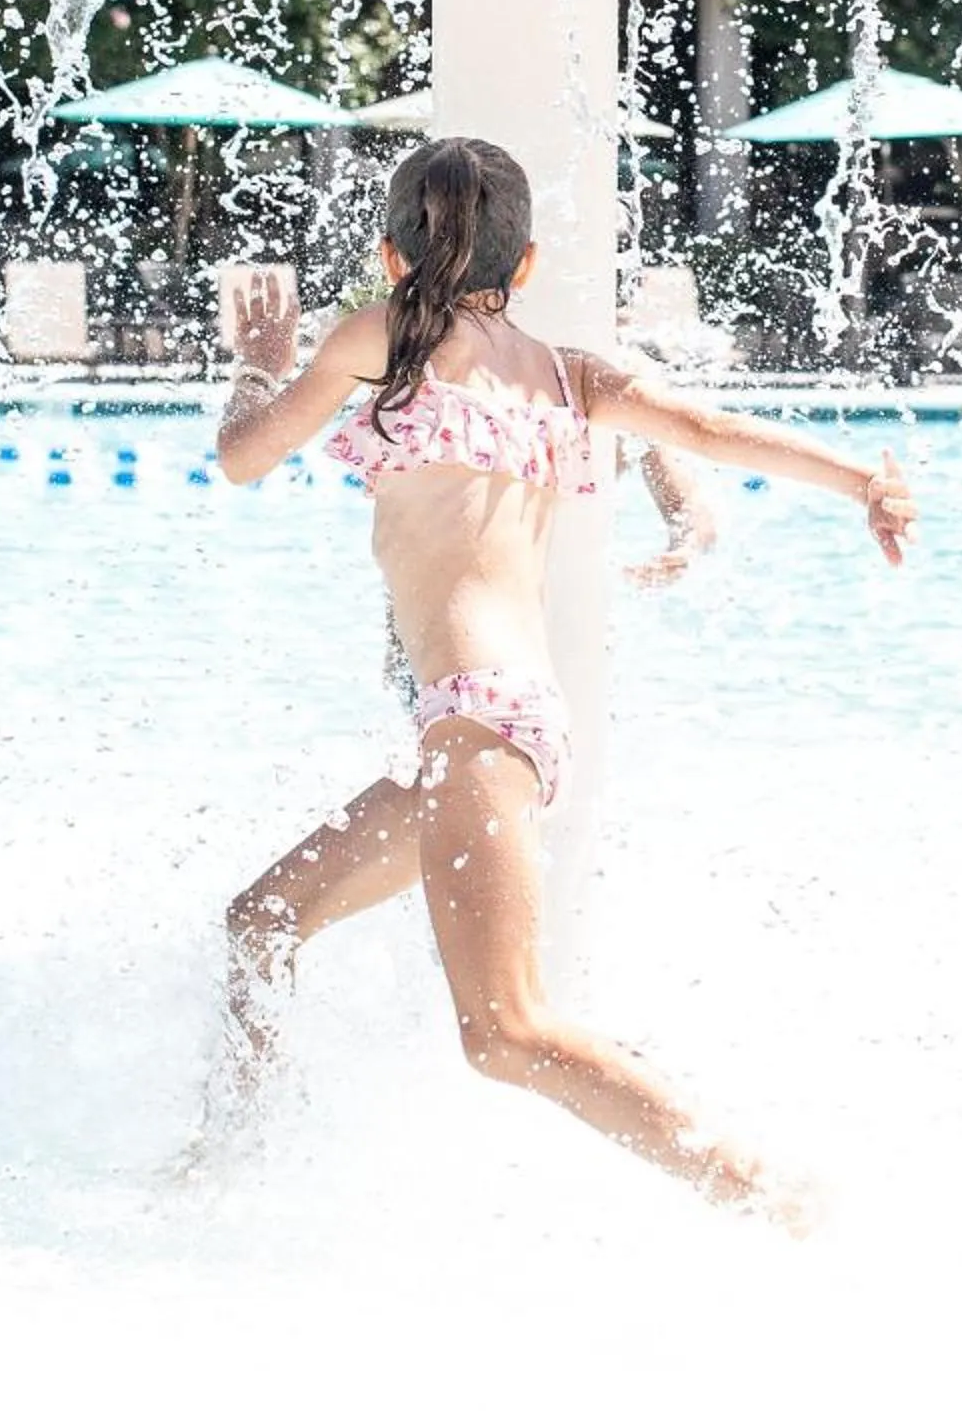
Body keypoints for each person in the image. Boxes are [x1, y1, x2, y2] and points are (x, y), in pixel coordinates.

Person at [213, 134, 915, 1220]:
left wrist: (259, 360)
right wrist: (860, 480)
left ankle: (769, 1193)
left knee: (507, 1029)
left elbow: (243, 455)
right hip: (494, 723)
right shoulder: (567, 374)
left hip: (477, 724)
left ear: (391, 258)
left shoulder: (381, 334)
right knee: (261, 922)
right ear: (528, 263)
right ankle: (229, 1168)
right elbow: (710, 430)